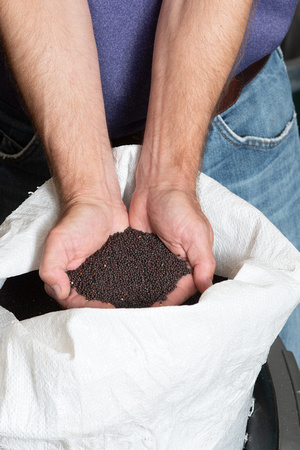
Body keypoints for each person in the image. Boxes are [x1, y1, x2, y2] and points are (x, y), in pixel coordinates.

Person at [0, 1, 299, 361]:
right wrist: (86, 191)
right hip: (33, 119)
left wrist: (170, 181)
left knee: (275, 364)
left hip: (231, 110)